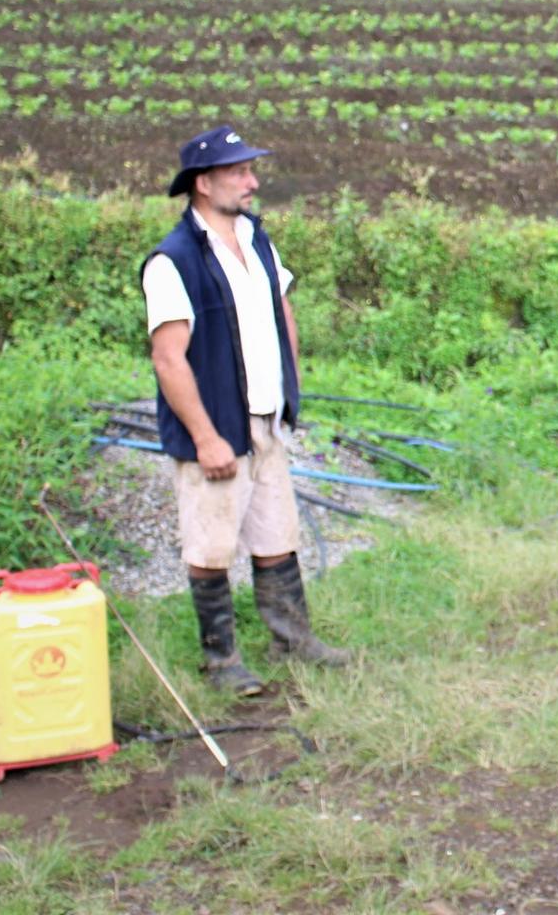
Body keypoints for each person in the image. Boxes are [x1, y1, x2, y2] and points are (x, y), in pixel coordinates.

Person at [141, 125, 347, 696]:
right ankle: (221, 659)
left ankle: (293, 638)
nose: (252, 182)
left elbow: (282, 313)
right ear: (203, 184)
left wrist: (291, 387)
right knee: (211, 543)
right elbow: (168, 360)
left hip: (265, 420)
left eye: (252, 171)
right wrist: (206, 438)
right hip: (217, 424)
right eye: (239, 173)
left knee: (277, 533)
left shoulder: (256, 239)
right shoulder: (172, 260)